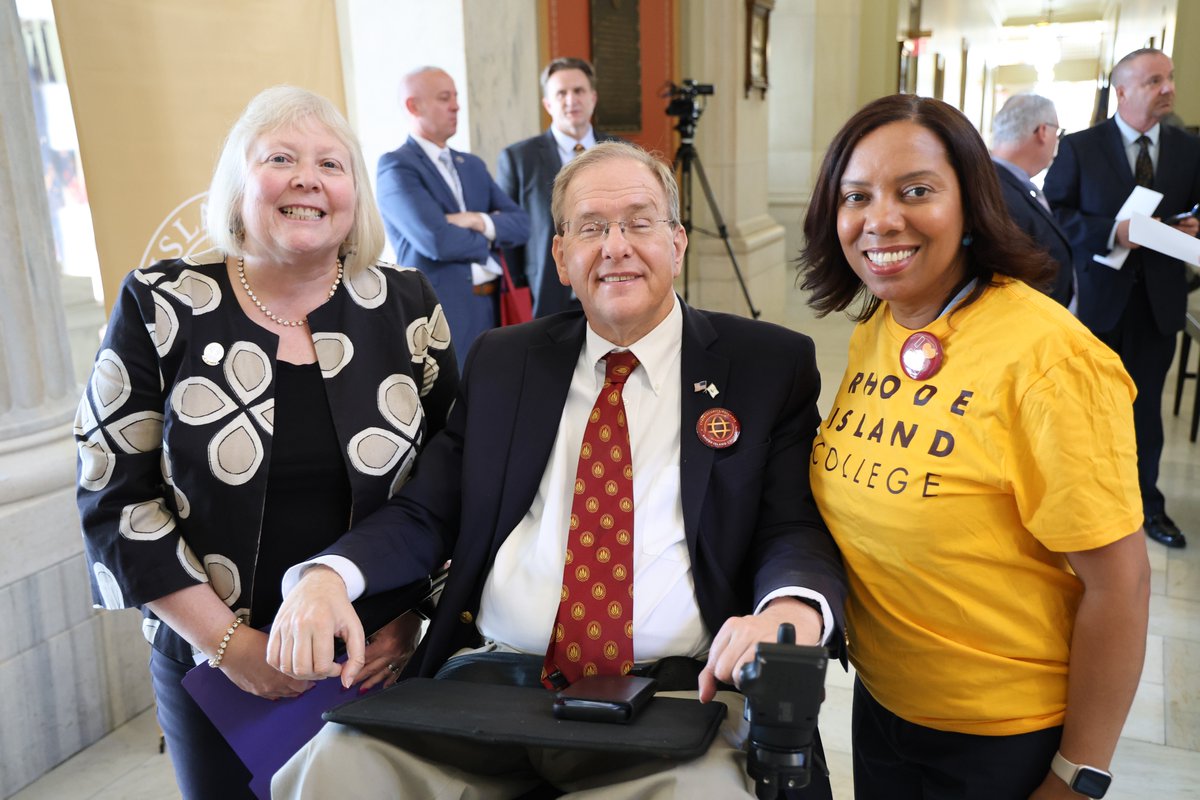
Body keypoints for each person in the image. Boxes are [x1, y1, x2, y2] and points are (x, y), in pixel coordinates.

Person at [269, 141, 846, 799]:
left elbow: (791, 528)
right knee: (338, 768)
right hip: (491, 688)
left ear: (678, 244)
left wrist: (791, 606)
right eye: (592, 228)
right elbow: (426, 510)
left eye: (639, 222)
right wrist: (326, 577)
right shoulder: (503, 361)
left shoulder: (765, 366)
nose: (616, 246)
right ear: (562, 259)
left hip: (673, 698)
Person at [73, 86, 459, 800]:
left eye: (331, 164)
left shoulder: (406, 304)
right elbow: (113, 495)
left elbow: (454, 474)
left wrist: (413, 619)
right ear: (240, 183)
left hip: (380, 657)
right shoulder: (162, 305)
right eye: (281, 158)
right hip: (215, 665)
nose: (308, 177)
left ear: (355, 194)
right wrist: (232, 646)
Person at [799, 94, 1150, 799]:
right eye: (856, 196)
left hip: (1002, 741)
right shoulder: (881, 329)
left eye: (916, 191)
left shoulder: (1047, 358)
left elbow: (1121, 583)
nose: (880, 220)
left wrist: (1076, 774)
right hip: (885, 710)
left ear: (971, 205)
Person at [1044, 48, 1200, 549]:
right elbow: (1056, 214)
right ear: (1124, 91)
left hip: (1159, 300)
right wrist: (1115, 231)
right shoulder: (1082, 147)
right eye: (1155, 80)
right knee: (1087, 408)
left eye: (1170, 79)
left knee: (1145, 409)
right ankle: (1079, 506)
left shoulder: (1188, 147)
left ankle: (1146, 509)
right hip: (1097, 300)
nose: (1168, 89)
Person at [377, 66, 530, 368]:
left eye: (456, 96)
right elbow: (437, 240)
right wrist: (490, 235)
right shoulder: (397, 167)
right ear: (413, 106)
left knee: (498, 396)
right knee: (454, 407)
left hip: (494, 305)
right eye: (445, 98)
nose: (456, 105)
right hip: (442, 310)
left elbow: (523, 224)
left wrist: (475, 220)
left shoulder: (471, 165)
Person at [497, 57, 623, 317]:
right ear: (547, 103)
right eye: (561, 93)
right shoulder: (519, 158)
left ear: (593, 97)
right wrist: (522, 286)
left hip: (612, 284)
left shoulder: (623, 152)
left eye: (578, 91)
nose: (571, 100)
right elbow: (508, 236)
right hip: (544, 294)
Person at [990, 93, 1075, 309]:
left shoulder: (1004, 181)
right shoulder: (997, 191)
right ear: (1043, 131)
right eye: (1059, 132)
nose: (1058, 140)